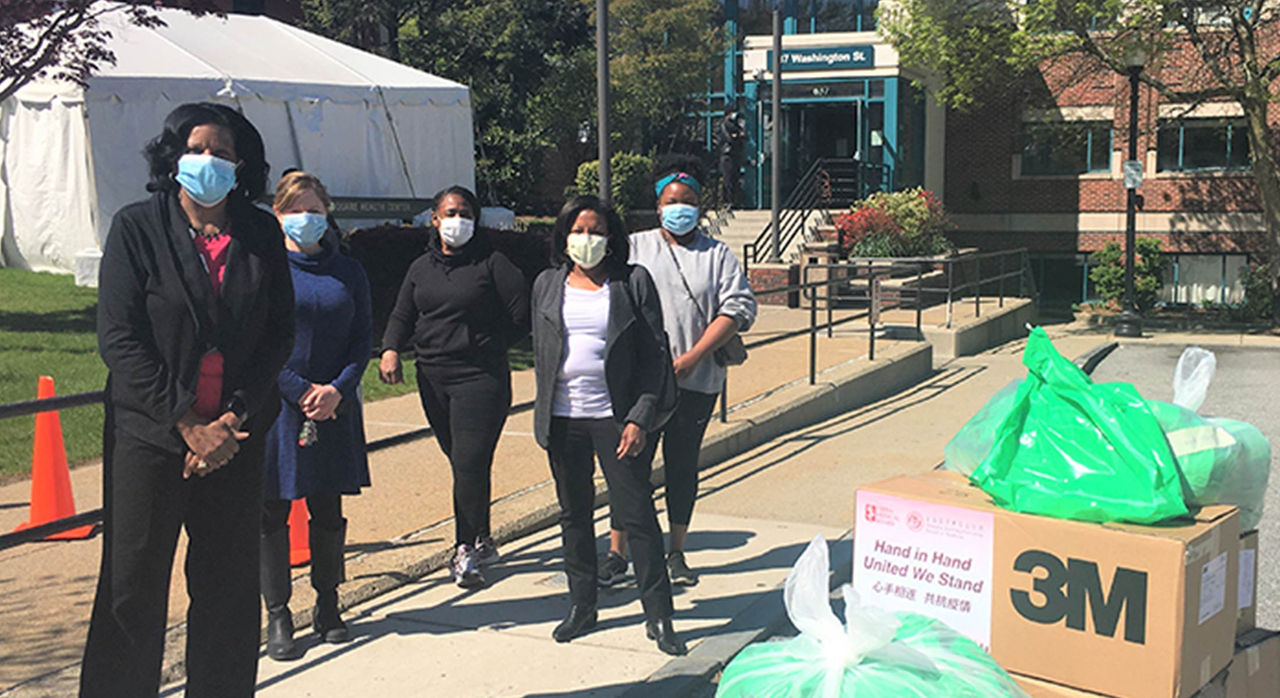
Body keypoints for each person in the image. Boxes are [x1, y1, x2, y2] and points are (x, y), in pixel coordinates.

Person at [82, 102, 294, 697]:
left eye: (223, 152)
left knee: (227, 588)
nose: (209, 161)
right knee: (131, 588)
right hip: (150, 438)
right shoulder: (136, 228)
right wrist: (186, 422)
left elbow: (278, 333)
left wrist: (230, 420)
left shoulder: (259, 233)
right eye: (197, 149)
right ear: (172, 156)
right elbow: (119, 339)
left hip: (235, 440)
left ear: (241, 164)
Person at [531, 195, 686, 656]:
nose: (586, 239)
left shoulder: (632, 282)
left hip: (616, 420)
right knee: (574, 516)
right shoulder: (546, 284)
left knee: (638, 516)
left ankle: (659, 615)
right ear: (563, 236)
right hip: (563, 419)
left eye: (596, 231)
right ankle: (583, 605)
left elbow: (654, 357)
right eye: (578, 230)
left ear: (612, 238)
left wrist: (639, 417)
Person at [599, 154, 757, 589]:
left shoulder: (717, 254)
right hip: (639, 384)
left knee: (681, 466)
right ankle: (617, 552)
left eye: (688, 200)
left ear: (700, 205)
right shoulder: (635, 246)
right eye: (672, 200)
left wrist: (692, 357)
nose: (679, 207)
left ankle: (677, 552)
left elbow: (738, 308)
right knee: (630, 466)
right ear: (658, 202)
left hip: (696, 380)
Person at [379, 186, 529, 589]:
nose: (457, 220)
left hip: (480, 379)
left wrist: (488, 343)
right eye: (450, 212)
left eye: (465, 213)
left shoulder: (493, 264)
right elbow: (402, 314)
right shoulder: (420, 268)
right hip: (432, 376)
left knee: (468, 461)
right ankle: (482, 533)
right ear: (434, 218)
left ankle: (463, 549)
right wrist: (391, 349)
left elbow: (522, 313)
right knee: (463, 462)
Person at [260, 171, 372, 660]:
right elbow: (256, 342)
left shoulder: (349, 272)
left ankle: (328, 604)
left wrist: (336, 391)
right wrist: (298, 389)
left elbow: (362, 340)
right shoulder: (265, 270)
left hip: (334, 406)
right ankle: (278, 614)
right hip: (278, 407)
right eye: (295, 209)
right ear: (278, 214)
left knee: (327, 512)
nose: (306, 218)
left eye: (315, 208)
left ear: (328, 213)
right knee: (273, 514)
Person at [717, 109, 746, 208]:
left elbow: (743, 136)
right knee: (728, 178)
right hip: (727, 155)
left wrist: (738, 135)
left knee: (735, 178)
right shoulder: (724, 125)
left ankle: (734, 201)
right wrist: (737, 136)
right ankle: (727, 201)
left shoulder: (736, 125)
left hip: (735, 155)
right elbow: (729, 138)